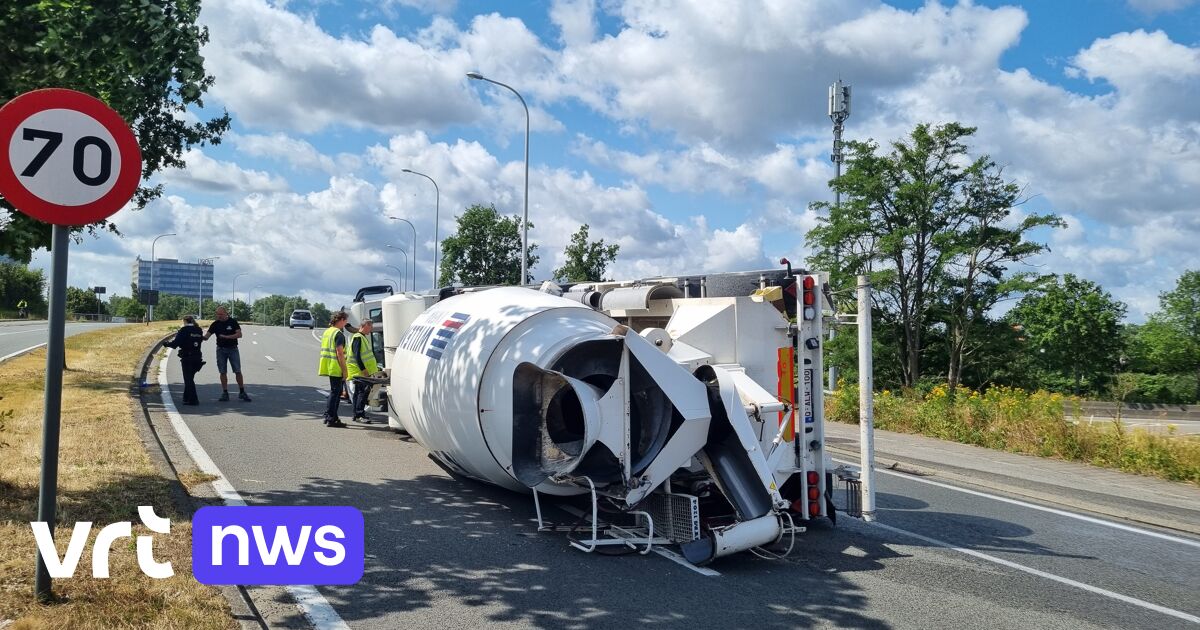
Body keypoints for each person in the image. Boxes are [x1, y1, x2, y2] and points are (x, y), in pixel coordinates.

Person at [204, 306, 252, 402]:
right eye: (217, 314)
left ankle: (242, 391)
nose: (219, 316)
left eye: (221, 314)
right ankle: (225, 392)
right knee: (222, 371)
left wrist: (227, 337)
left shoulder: (232, 322)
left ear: (226, 313)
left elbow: (239, 334)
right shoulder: (215, 324)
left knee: (237, 370)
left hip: (232, 349)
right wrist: (194, 335)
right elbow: (206, 337)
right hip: (220, 350)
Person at [318, 311, 350, 427]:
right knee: (335, 393)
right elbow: (340, 353)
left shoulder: (327, 332)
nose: (346, 323)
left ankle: (331, 416)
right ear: (341, 320)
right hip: (336, 366)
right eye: (345, 321)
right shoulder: (338, 334)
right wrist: (345, 370)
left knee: (334, 392)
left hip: (328, 365)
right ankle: (331, 418)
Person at [163, 315, 205, 405]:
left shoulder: (184, 330)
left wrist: (166, 344)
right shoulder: (199, 330)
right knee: (190, 378)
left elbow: (176, 343)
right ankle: (186, 398)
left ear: (185, 321)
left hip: (187, 357)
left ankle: (193, 400)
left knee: (188, 379)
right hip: (197, 357)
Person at [346, 319, 379, 422]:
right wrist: (364, 370)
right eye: (371, 327)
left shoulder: (361, 337)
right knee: (362, 393)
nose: (371, 329)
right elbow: (357, 356)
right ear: (366, 325)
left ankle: (356, 414)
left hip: (360, 371)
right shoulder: (358, 338)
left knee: (358, 393)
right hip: (360, 372)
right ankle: (360, 414)